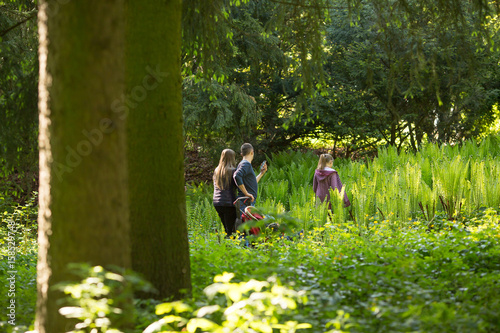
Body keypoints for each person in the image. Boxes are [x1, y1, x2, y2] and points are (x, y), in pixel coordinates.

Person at [233, 143, 267, 209]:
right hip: (246, 202)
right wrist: (246, 193)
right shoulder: (246, 164)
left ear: (241, 154)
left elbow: (251, 183)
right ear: (252, 152)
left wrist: (261, 174)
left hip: (245, 202)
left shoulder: (242, 164)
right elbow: (236, 175)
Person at [213, 149, 238, 236]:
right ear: (232, 158)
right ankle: (230, 247)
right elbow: (238, 186)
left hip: (217, 203)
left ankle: (225, 245)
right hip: (229, 203)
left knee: (226, 228)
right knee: (231, 230)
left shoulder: (217, 170)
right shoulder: (233, 171)